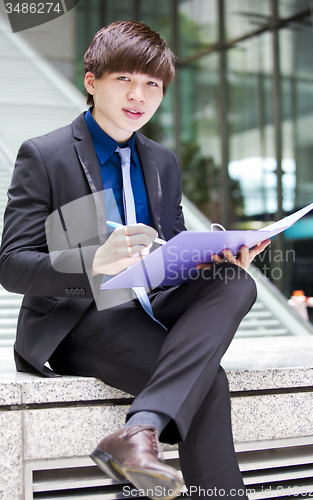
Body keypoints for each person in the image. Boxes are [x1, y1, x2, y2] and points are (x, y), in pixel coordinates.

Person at [0, 21, 270, 500]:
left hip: (151, 301)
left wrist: (219, 257)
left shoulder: (162, 160)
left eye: (152, 84)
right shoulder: (45, 155)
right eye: (124, 78)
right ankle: (143, 437)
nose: (138, 95)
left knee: (235, 281)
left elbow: (174, 244)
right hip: (81, 318)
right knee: (208, 384)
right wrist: (93, 261)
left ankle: (136, 435)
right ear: (92, 81)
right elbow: (12, 265)